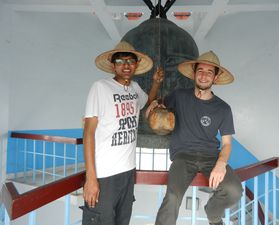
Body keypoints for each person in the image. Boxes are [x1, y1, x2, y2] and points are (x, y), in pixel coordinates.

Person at [147, 51, 243, 225]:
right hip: (183, 156)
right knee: (172, 197)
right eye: (200, 70)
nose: (204, 75)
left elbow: (227, 143)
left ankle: (213, 215)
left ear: (215, 77)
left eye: (209, 72)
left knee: (234, 190)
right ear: (194, 73)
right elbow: (153, 110)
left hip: (211, 157)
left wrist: (221, 164)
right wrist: (154, 99)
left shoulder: (223, 108)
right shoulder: (178, 96)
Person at [81, 41, 164, 225]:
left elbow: (146, 102)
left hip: (127, 172)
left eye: (130, 61)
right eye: (120, 60)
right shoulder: (100, 88)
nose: (126, 65)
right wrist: (91, 178)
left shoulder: (134, 88)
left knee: (122, 221)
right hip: (104, 175)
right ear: (113, 65)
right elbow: (88, 134)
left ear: (136, 64)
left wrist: (156, 84)